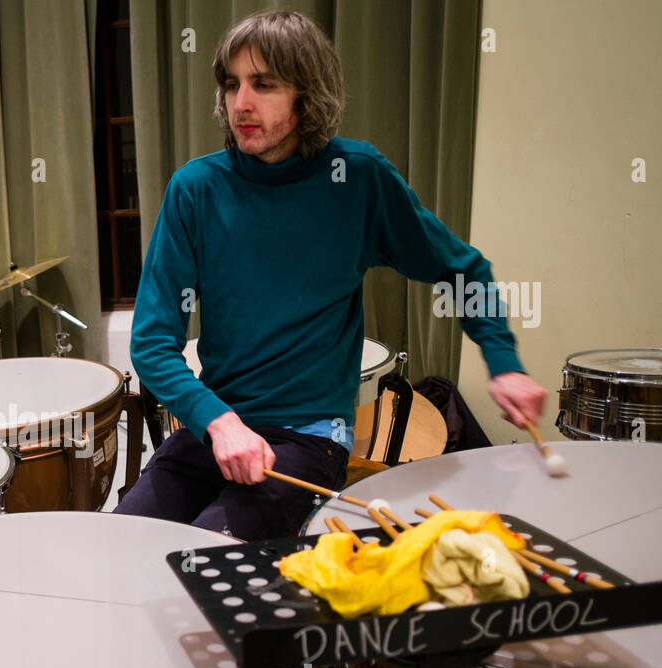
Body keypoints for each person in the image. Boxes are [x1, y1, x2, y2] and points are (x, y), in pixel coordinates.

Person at [116, 10, 546, 540]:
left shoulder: (357, 179)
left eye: (264, 85)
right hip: (217, 429)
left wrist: (503, 362)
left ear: (307, 95)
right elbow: (153, 343)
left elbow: (463, 269)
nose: (240, 103)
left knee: (205, 559)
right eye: (232, 85)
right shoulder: (196, 189)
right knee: (124, 546)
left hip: (308, 436)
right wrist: (218, 422)